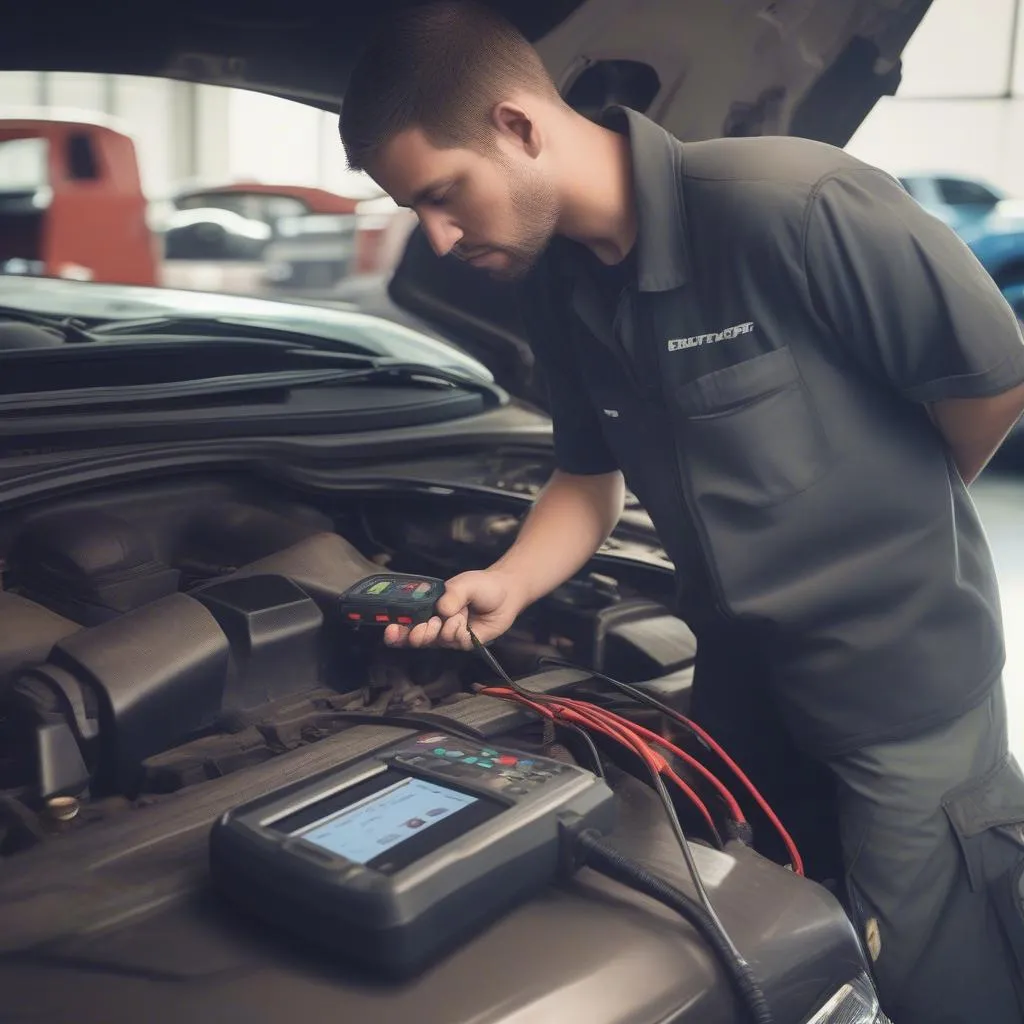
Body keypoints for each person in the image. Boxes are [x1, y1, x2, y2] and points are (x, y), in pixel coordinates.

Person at [338, 3, 1024, 1020]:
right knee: (776, 942)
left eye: (445, 195)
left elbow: (988, 381)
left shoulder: (789, 207)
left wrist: (897, 520)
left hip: (898, 689)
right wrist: (507, 582)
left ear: (519, 125)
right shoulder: (555, 283)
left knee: (934, 981)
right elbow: (585, 477)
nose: (438, 235)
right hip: (744, 689)